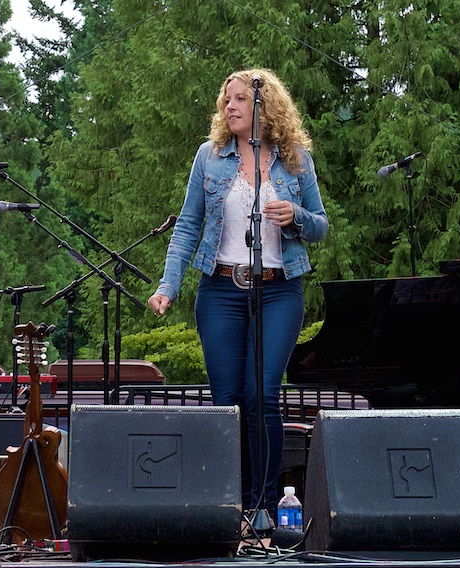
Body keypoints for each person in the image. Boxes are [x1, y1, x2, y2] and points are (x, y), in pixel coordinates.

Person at [148, 68, 328, 517]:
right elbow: (188, 225)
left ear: (265, 107)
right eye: (226, 99)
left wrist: (297, 217)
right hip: (221, 291)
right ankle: (231, 507)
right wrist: (169, 285)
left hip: (279, 289)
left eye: (240, 99)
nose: (229, 106)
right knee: (227, 399)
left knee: (262, 394)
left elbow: (322, 225)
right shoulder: (209, 156)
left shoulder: (296, 160)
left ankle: (264, 507)